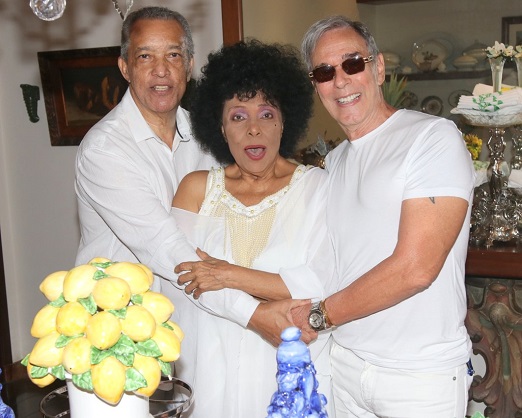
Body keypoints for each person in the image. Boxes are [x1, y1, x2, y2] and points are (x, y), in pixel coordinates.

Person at [75, 7, 293, 360]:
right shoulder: (106, 149)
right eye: (145, 56)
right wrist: (253, 314)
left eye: (173, 55)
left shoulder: (208, 137)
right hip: (119, 338)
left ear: (189, 65)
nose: (161, 70)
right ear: (125, 67)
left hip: (198, 329)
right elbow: (166, 248)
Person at [289, 16, 476, 418]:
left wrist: (319, 316)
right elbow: (330, 266)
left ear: (377, 68)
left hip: (419, 377)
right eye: (324, 72)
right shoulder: (335, 162)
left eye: (352, 64)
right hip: (346, 367)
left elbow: (416, 268)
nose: (340, 81)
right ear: (316, 85)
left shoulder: (432, 138)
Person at [166, 39, 336, 418]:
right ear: (221, 127)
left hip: (287, 371)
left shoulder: (318, 188)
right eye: (238, 117)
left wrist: (226, 274)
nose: (254, 129)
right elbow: (178, 276)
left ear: (284, 122)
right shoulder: (196, 189)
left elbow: (323, 282)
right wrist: (266, 292)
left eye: (267, 114)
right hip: (209, 370)